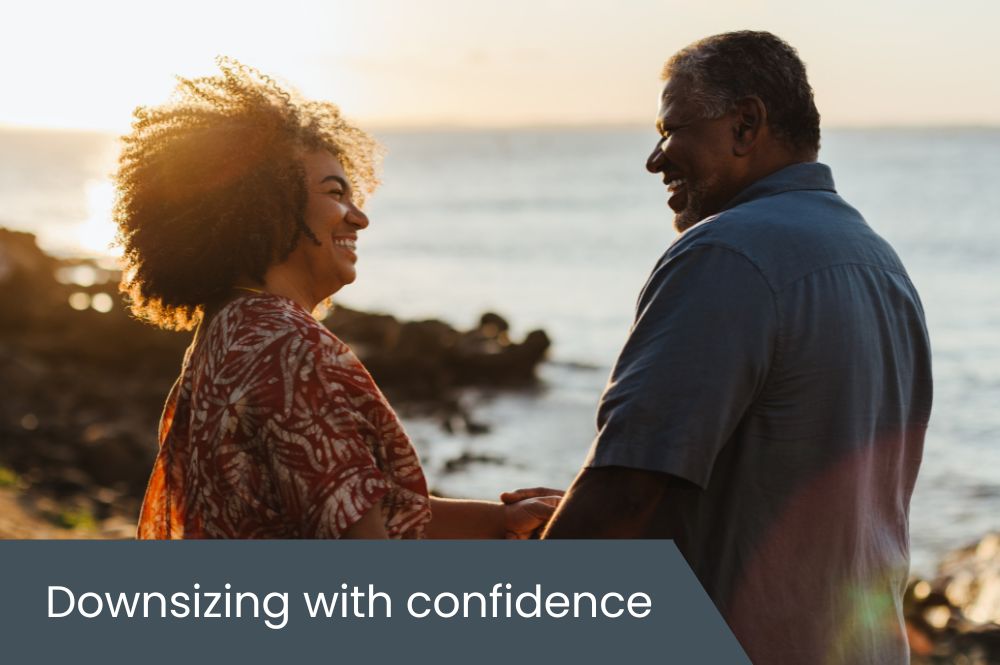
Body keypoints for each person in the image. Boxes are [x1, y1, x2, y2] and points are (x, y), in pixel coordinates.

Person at [542, 31, 932, 665]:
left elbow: (627, 493)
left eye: (670, 131)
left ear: (746, 124)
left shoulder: (726, 255)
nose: (655, 160)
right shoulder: (880, 265)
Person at [117, 59, 558, 540]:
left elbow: (347, 504)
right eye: (335, 194)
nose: (359, 218)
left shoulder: (227, 330)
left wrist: (500, 522)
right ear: (265, 205)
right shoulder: (289, 349)